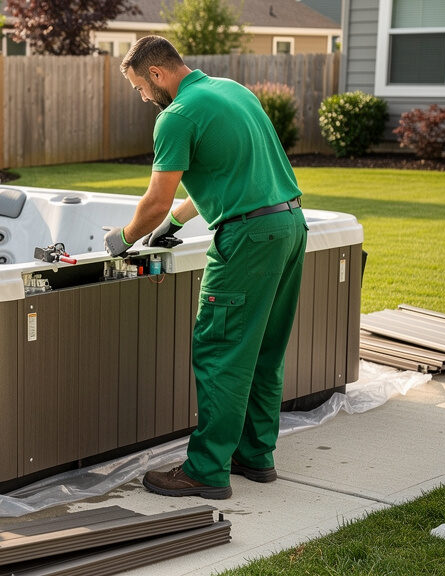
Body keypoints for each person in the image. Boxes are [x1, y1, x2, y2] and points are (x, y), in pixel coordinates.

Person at [104, 36, 308, 500]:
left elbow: (154, 200)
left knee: (220, 352)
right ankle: (256, 456)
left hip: (247, 240)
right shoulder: (232, 91)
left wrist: (123, 238)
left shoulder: (174, 117)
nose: (141, 97)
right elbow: (227, 175)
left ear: (156, 74)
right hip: (289, 224)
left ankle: (206, 470)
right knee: (264, 350)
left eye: (139, 86)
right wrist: (176, 221)